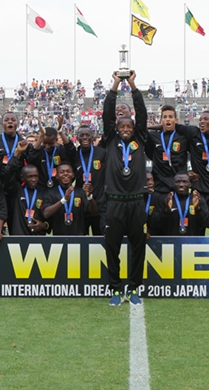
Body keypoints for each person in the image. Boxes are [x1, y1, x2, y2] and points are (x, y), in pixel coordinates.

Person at [102, 70, 147, 306]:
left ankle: (135, 288)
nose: (126, 128)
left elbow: (142, 113)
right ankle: (116, 289)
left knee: (138, 247)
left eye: (130, 125)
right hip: (115, 202)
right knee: (113, 248)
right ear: (117, 129)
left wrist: (133, 86)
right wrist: (116, 85)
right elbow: (108, 113)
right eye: (122, 126)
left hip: (137, 202)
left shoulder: (141, 138)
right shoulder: (110, 140)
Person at [3, 142, 48, 235]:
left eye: (36, 176)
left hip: (38, 240)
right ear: (22, 178)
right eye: (30, 177)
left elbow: (49, 218)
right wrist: (17, 154)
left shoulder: (43, 193)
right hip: (18, 238)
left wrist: (44, 225)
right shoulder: (16, 190)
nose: (33, 179)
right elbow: (8, 172)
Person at [42, 162, 96, 235]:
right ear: (57, 175)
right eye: (62, 172)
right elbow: (46, 214)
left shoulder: (80, 192)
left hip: (79, 238)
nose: (65, 174)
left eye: (68, 171)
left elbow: (93, 211)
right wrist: (63, 200)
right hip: (58, 239)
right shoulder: (50, 193)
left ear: (73, 175)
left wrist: (89, 197)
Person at [145, 105, 189, 194]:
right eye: (165, 117)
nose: (168, 119)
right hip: (160, 185)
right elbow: (150, 153)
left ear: (176, 120)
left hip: (178, 184)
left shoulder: (183, 137)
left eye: (170, 117)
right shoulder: (153, 136)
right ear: (161, 121)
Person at [72, 125, 106, 235]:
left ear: (92, 137)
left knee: (100, 238)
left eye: (88, 135)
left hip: (99, 203)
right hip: (81, 205)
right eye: (82, 135)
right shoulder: (74, 155)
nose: (85, 137)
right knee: (81, 240)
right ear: (77, 138)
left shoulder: (102, 153)